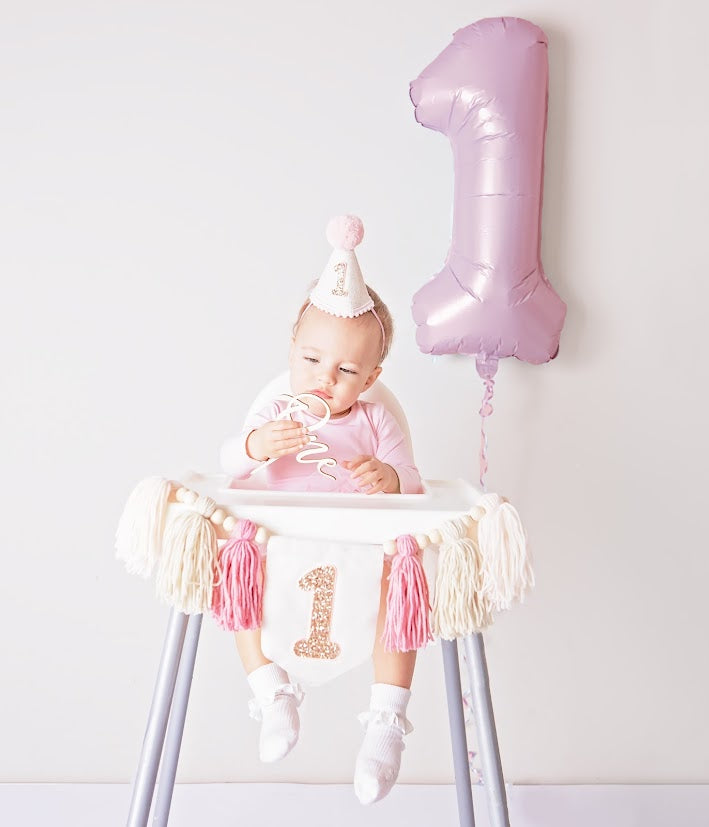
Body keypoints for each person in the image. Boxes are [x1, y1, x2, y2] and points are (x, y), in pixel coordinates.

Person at [219, 215, 423, 805]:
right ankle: (271, 691)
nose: (324, 380)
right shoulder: (278, 410)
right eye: (311, 361)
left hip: (359, 549)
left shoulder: (374, 419)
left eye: (347, 371)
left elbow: (412, 484)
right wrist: (257, 446)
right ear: (291, 351)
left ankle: (387, 720)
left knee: (399, 594)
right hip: (286, 545)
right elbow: (229, 462)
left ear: (372, 378)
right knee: (238, 584)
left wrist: (388, 477)